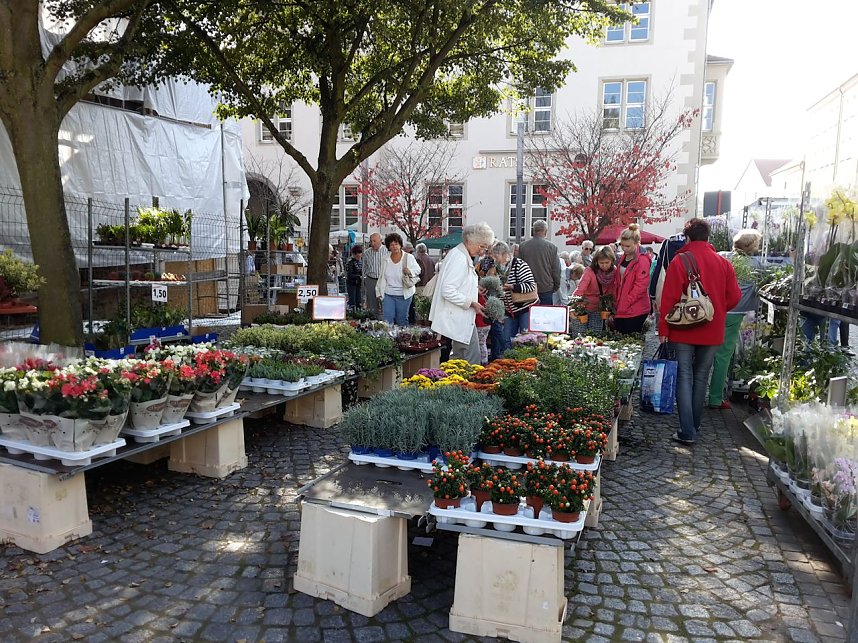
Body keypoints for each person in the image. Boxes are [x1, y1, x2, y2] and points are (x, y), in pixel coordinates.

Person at [659, 218, 741, 446]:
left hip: (683, 328)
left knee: (684, 376)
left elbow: (669, 299)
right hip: (712, 327)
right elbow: (734, 297)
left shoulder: (679, 261)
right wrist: (717, 310)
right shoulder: (723, 263)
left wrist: (663, 329)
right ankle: (693, 425)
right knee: (701, 376)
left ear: (687, 237)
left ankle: (687, 431)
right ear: (708, 237)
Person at [708, 229, 763, 410]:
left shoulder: (722, 256)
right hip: (734, 312)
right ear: (753, 246)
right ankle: (715, 398)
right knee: (723, 355)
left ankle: (698, 391)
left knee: (707, 352)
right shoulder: (756, 264)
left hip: (713, 310)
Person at [430, 222, 494, 364]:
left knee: (461, 359)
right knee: (470, 359)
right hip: (459, 317)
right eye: (482, 246)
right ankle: (463, 386)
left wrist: (474, 288)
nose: (482, 251)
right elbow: (447, 290)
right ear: (471, 241)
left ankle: (454, 385)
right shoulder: (459, 258)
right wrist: (471, 303)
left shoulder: (460, 255)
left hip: (461, 318)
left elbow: (457, 283)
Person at [492, 241, 537, 351]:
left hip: (524, 308)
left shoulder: (519, 265)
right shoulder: (497, 268)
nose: (494, 259)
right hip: (509, 310)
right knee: (507, 339)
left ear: (504, 254)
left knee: (526, 338)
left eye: (496, 256)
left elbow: (531, 285)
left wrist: (513, 287)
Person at [614, 224, 653, 334]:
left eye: (628, 246)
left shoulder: (642, 260)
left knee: (631, 341)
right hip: (623, 306)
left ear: (636, 243)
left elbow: (640, 286)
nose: (624, 249)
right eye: (622, 245)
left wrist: (626, 301)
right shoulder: (623, 257)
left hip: (635, 308)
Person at [375, 233, 421, 326]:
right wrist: (379, 292)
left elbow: (418, 270)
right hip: (388, 294)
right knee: (387, 320)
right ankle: (387, 339)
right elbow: (381, 277)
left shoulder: (408, 257)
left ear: (400, 245)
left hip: (404, 294)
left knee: (402, 320)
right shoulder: (385, 259)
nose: (394, 246)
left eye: (396, 244)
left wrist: (410, 271)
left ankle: (402, 339)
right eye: (391, 245)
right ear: (388, 247)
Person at [573, 245, 617, 334]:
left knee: (595, 336)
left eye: (607, 262)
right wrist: (574, 306)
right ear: (596, 262)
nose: (604, 265)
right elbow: (580, 289)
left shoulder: (614, 271)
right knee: (579, 336)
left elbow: (613, 291)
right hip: (583, 307)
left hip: (598, 308)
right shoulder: (590, 271)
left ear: (612, 261)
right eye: (601, 263)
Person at [518, 220, 560, 305]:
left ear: (533, 230)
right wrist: (556, 285)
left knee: (528, 315)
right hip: (546, 287)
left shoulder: (523, 246)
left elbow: (518, 267)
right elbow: (556, 269)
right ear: (545, 231)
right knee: (545, 315)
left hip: (527, 287)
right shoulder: (552, 247)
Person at [362, 233, 388, 319]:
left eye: (374, 241)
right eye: (371, 241)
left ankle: (384, 322)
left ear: (381, 241)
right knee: (371, 303)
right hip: (371, 279)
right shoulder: (366, 253)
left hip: (384, 280)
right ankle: (372, 322)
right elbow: (364, 266)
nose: (372, 243)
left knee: (384, 302)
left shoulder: (387, 252)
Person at [345, 245, 364, 311]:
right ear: (353, 254)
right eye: (357, 253)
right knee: (352, 300)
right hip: (351, 284)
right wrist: (359, 276)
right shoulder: (350, 262)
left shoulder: (361, 262)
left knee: (359, 300)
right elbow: (349, 274)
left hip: (358, 284)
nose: (359, 255)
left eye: (360, 253)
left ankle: (358, 311)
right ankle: (353, 311)